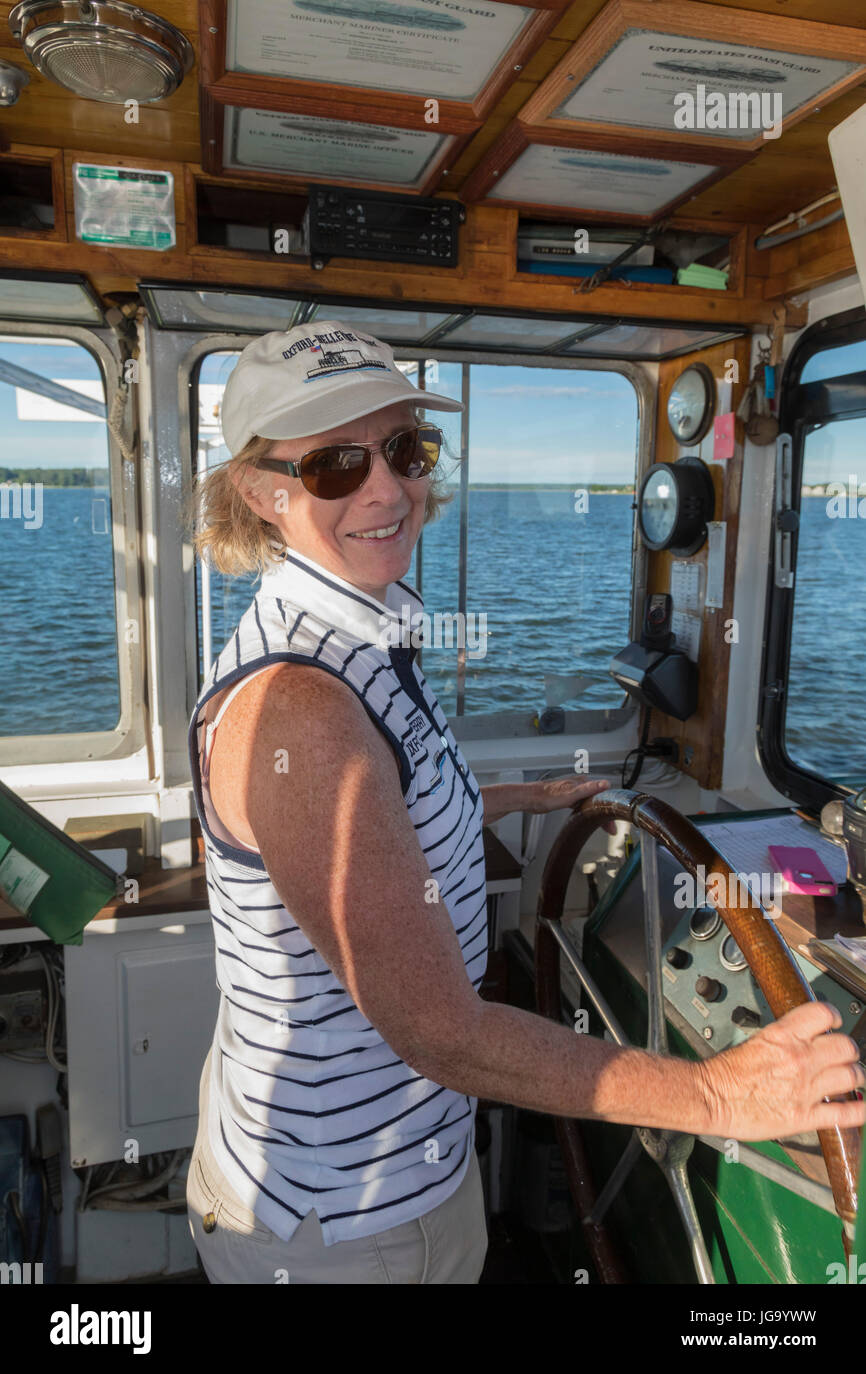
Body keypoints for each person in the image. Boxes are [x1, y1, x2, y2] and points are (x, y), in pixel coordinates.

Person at [186, 319, 865, 1285]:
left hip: (393, 1164)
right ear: (264, 492)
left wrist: (508, 795)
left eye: (405, 450)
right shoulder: (299, 709)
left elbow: (387, 811)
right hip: (339, 1218)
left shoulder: (361, 636)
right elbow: (440, 1031)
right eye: (337, 464)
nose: (387, 489)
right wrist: (720, 1097)